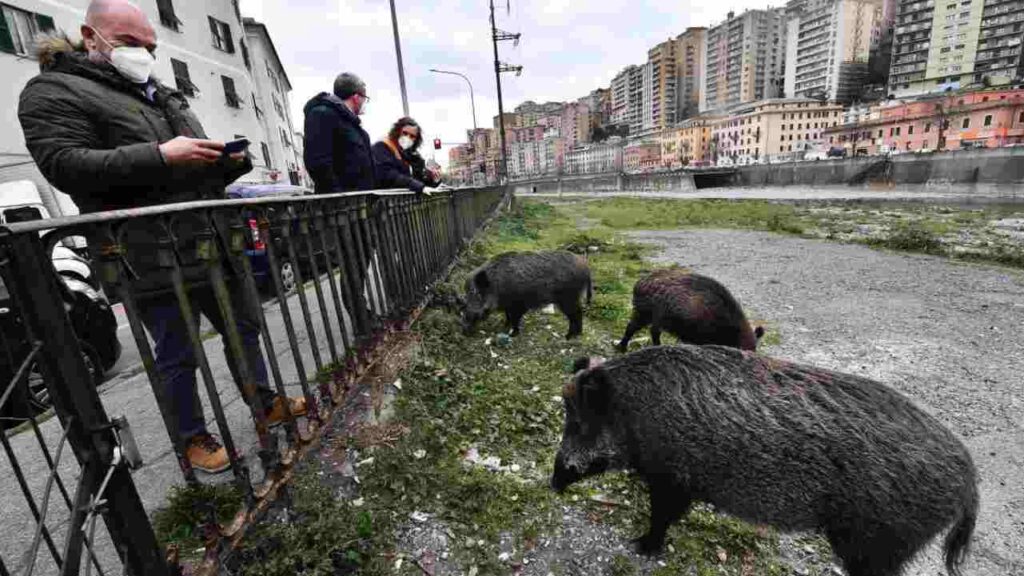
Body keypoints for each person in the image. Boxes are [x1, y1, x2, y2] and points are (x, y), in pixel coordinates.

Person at [18, 0, 305, 474]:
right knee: (177, 351)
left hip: (212, 242)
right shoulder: (52, 91)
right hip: (144, 253)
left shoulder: (163, 94)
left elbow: (193, 162)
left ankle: (264, 402)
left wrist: (227, 162)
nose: (143, 54)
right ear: (92, 38)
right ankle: (192, 437)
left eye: (149, 46)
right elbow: (64, 165)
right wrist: (159, 155)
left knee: (245, 330)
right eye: (131, 44)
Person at [303, 72, 376, 193]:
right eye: (365, 99)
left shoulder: (355, 128)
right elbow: (318, 163)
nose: (365, 103)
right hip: (341, 206)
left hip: (360, 203)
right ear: (356, 97)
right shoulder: (322, 114)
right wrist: (340, 197)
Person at [372, 117, 441, 193]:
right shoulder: (382, 147)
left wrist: (432, 179)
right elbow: (389, 174)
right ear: (397, 131)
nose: (407, 138)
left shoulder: (413, 156)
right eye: (405, 133)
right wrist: (415, 185)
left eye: (412, 136)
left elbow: (420, 180)